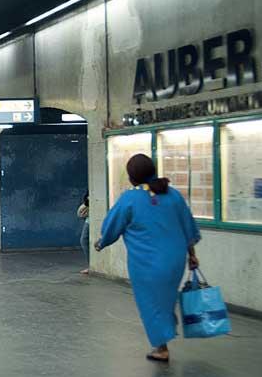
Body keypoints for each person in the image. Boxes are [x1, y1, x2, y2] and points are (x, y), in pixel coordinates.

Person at [96, 154, 200, 363]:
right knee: (165, 299)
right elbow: (187, 226)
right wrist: (192, 255)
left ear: (132, 177)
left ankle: (161, 347)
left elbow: (111, 226)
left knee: (150, 303)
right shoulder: (172, 195)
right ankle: (167, 330)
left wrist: (102, 242)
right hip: (175, 260)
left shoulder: (130, 198)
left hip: (146, 263)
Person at [78, 192, 91, 274]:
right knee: (84, 240)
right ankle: (91, 265)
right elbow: (86, 198)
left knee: (84, 240)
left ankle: (92, 266)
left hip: (92, 218)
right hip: (89, 219)